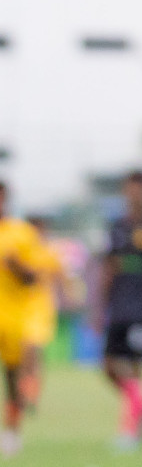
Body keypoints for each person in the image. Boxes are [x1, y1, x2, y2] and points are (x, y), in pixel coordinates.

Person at [96, 170, 142, 451]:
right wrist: (98, 308)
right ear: (125, 191)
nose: (136, 193)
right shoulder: (116, 227)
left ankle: (130, 432)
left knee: (137, 368)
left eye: (141, 188)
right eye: (131, 188)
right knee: (108, 366)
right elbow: (107, 269)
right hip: (118, 306)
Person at [0, 183, 44, 458]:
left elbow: (35, 277)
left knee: (13, 378)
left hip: (12, 318)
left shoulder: (22, 234)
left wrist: (17, 267)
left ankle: (11, 432)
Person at [18, 216, 65, 422]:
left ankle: (31, 394)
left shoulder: (49, 254)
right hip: (20, 309)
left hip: (42, 310)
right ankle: (22, 392)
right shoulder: (22, 253)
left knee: (33, 352)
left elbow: (61, 278)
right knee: (21, 356)